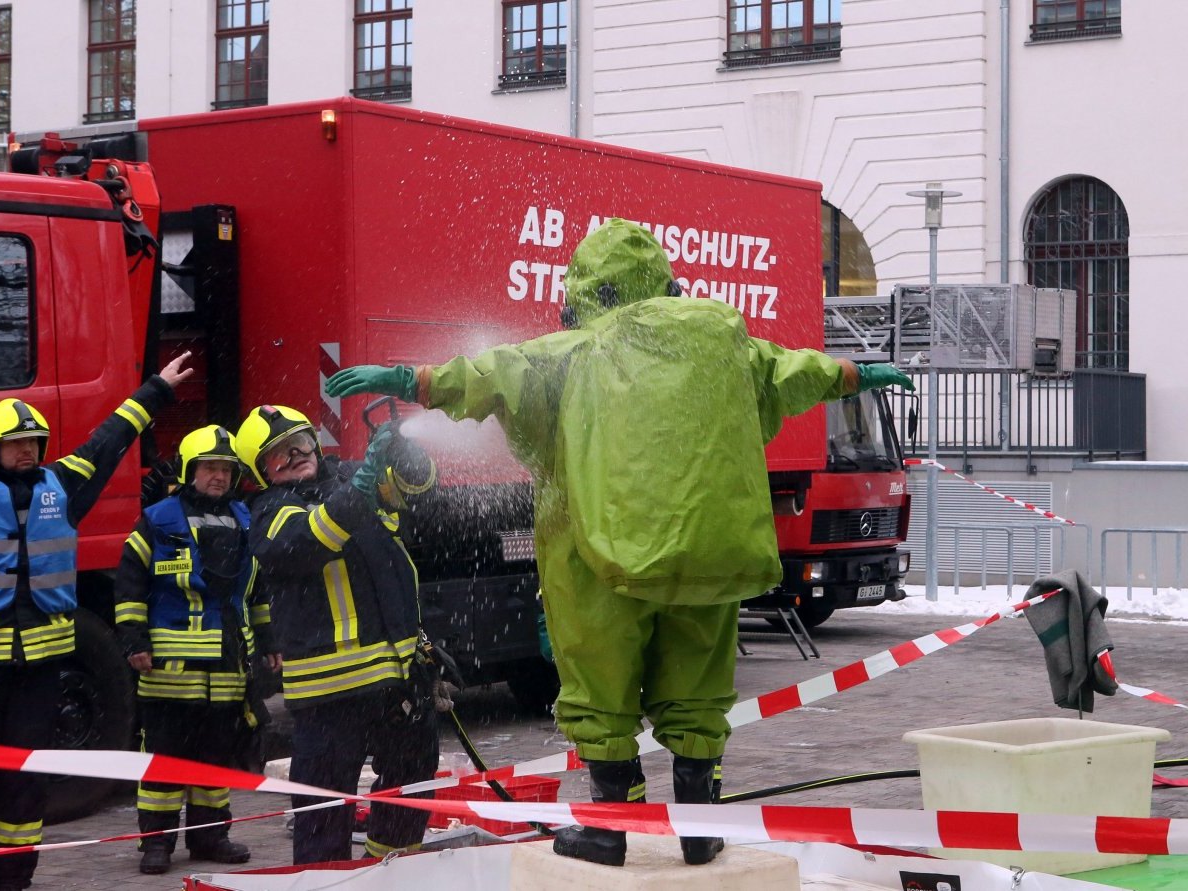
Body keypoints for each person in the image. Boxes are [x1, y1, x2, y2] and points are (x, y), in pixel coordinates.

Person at [325, 218, 915, 868]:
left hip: (596, 556)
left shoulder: (575, 350)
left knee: (599, 685)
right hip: (707, 555)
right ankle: (698, 823)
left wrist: (414, 383)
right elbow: (793, 371)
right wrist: (860, 373)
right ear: (664, 281)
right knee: (697, 687)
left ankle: (609, 827)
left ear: (587, 290)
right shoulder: (721, 340)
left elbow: (494, 372)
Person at [0, 353, 192, 891]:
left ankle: (13, 877)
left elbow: (107, 443)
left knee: (26, 781)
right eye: (15, 443)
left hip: (40, 672)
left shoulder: (62, 485)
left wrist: (156, 392)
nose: (27, 450)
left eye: (33, 442)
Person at [233, 404, 441, 864]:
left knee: (413, 779)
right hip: (332, 689)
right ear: (261, 473)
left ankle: (389, 869)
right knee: (325, 805)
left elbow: (421, 489)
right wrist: (362, 487)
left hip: (398, 675)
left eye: (300, 444)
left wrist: (403, 451)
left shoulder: (352, 476)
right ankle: (323, 878)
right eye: (278, 456)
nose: (295, 456)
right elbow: (310, 539)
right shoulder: (270, 511)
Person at [114, 424, 280, 875]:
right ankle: (157, 843)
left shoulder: (246, 520)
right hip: (170, 669)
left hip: (228, 669)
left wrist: (268, 642)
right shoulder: (159, 519)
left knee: (213, 761)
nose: (218, 477)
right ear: (190, 470)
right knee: (166, 760)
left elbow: (257, 591)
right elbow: (130, 582)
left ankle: (211, 837)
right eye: (209, 467)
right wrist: (133, 639)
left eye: (226, 469)